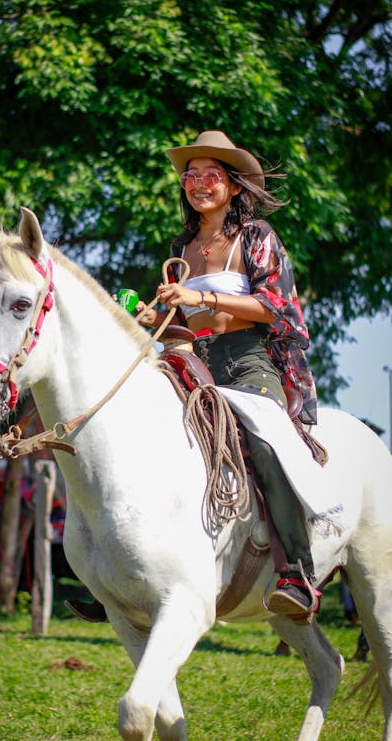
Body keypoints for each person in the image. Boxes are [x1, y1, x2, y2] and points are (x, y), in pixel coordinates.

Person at [67, 129, 320, 624]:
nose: (198, 183)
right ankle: (117, 574)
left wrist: (200, 298)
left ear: (233, 184)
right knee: (135, 434)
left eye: (210, 175)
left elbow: (276, 307)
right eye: (191, 175)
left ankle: (298, 573)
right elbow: (180, 321)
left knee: (265, 444)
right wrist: (155, 314)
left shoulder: (256, 237)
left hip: (247, 361)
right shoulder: (182, 245)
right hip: (191, 359)